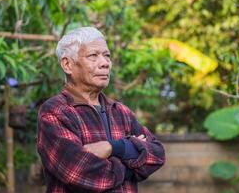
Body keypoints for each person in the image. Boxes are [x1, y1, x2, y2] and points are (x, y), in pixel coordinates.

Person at [37, 27, 165, 193]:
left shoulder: (120, 111)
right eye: (93, 56)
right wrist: (132, 162)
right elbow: (79, 171)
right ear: (68, 65)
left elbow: (157, 154)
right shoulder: (56, 111)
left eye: (107, 56)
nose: (105, 63)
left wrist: (114, 147)